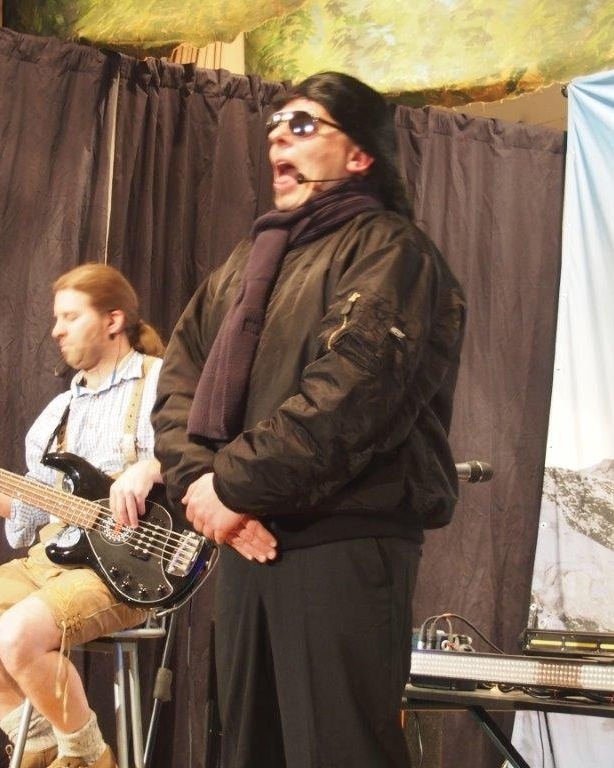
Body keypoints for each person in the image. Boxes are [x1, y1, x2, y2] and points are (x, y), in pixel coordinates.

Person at [151, 72, 466, 768]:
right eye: (273, 126)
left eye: (301, 124)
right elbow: (179, 381)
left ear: (359, 154)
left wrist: (228, 485)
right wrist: (202, 485)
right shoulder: (248, 262)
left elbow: (355, 390)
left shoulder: (392, 249)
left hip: (341, 539)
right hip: (246, 538)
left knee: (339, 753)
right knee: (247, 750)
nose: (277, 140)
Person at [0, 263, 166, 768]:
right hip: (55, 558)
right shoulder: (58, 413)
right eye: (57, 319)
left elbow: (206, 453)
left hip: (130, 568)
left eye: (70, 317)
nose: (56, 330)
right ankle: (40, 737)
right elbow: (28, 508)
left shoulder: (162, 383)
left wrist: (153, 466)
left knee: (17, 633)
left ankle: (85, 758)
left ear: (113, 320)